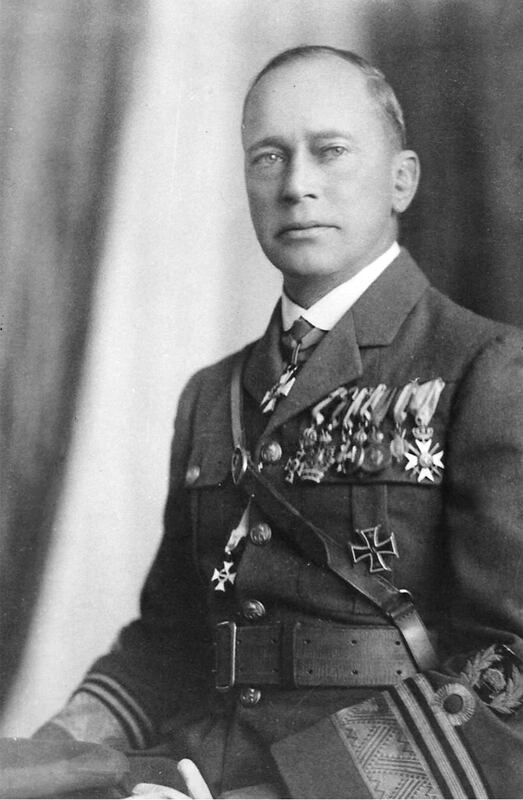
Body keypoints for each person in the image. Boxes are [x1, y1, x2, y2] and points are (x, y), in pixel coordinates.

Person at [34, 46, 523, 798]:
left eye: (330, 151)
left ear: (402, 179)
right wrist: (51, 754)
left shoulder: (485, 368)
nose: (296, 185)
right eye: (268, 157)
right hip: (192, 767)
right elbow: (171, 639)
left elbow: (507, 671)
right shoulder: (212, 394)